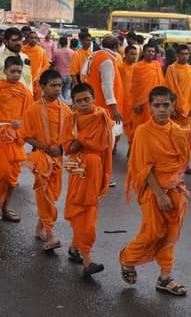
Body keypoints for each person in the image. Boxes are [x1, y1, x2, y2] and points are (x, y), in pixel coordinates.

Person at [120, 86, 191, 296]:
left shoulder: (179, 131)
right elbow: (143, 169)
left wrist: (172, 187)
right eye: (157, 105)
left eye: (166, 105)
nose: (161, 109)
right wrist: (160, 195)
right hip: (153, 191)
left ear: (172, 106)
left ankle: (165, 277)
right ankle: (128, 259)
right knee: (153, 232)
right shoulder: (143, 132)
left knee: (172, 232)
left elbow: (182, 162)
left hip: (174, 190)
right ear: (150, 107)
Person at [64, 83, 114, 277]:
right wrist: (84, 140)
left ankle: (74, 248)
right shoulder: (72, 119)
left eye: (87, 99)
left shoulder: (102, 116)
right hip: (79, 166)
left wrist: (84, 139)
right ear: (74, 103)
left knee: (89, 208)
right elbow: (69, 148)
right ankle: (87, 260)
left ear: (94, 99)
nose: (84, 104)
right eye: (79, 101)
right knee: (82, 208)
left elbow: (106, 144)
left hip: (97, 167)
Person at [23, 70, 73, 251]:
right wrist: (45, 147)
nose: (58, 89)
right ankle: (50, 235)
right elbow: (26, 135)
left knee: (52, 195)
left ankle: (40, 228)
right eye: (53, 85)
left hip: (58, 159)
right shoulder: (33, 109)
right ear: (42, 87)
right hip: (41, 159)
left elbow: (69, 135)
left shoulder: (66, 109)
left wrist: (62, 149)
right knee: (44, 195)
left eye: (59, 85)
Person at [0, 56, 33, 222]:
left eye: (19, 71)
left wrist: (22, 122)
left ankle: (5, 207)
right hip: (1, 136)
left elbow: (30, 118)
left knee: (14, 173)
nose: (16, 74)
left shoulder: (25, 92)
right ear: (5, 71)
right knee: (5, 170)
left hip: (18, 138)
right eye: (13, 71)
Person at [81, 35, 124, 124]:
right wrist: (114, 108)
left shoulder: (97, 55)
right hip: (105, 105)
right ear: (117, 46)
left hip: (97, 101)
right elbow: (107, 86)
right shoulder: (106, 60)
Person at [130, 42, 165, 143]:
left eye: (153, 51)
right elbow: (134, 87)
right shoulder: (137, 67)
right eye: (149, 51)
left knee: (154, 127)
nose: (151, 53)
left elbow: (161, 82)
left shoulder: (157, 65)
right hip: (142, 104)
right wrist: (136, 103)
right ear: (143, 52)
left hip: (155, 101)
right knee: (140, 127)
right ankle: (136, 146)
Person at [165, 44, 191, 133]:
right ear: (177, 55)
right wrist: (171, 108)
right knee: (175, 133)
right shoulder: (171, 69)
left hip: (188, 110)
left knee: (187, 134)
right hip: (176, 110)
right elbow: (169, 89)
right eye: (182, 54)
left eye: (187, 54)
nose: (185, 56)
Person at [22, 30, 50, 100]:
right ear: (28, 38)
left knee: (36, 101)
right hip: (24, 80)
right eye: (31, 38)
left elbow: (46, 65)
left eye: (35, 38)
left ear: (37, 39)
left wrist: (38, 76)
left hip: (37, 81)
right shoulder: (22, 50)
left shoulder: (41, 51)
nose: (33, 40)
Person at [53, 36, 74, 103]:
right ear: (67, 42)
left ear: (59, 43)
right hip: (70, 75)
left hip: (60, 75)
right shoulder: (72, 52)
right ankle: (63, 104)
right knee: (65, 92)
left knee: (59, 92)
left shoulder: (56, 52)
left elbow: (53, 62)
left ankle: (63, 103)